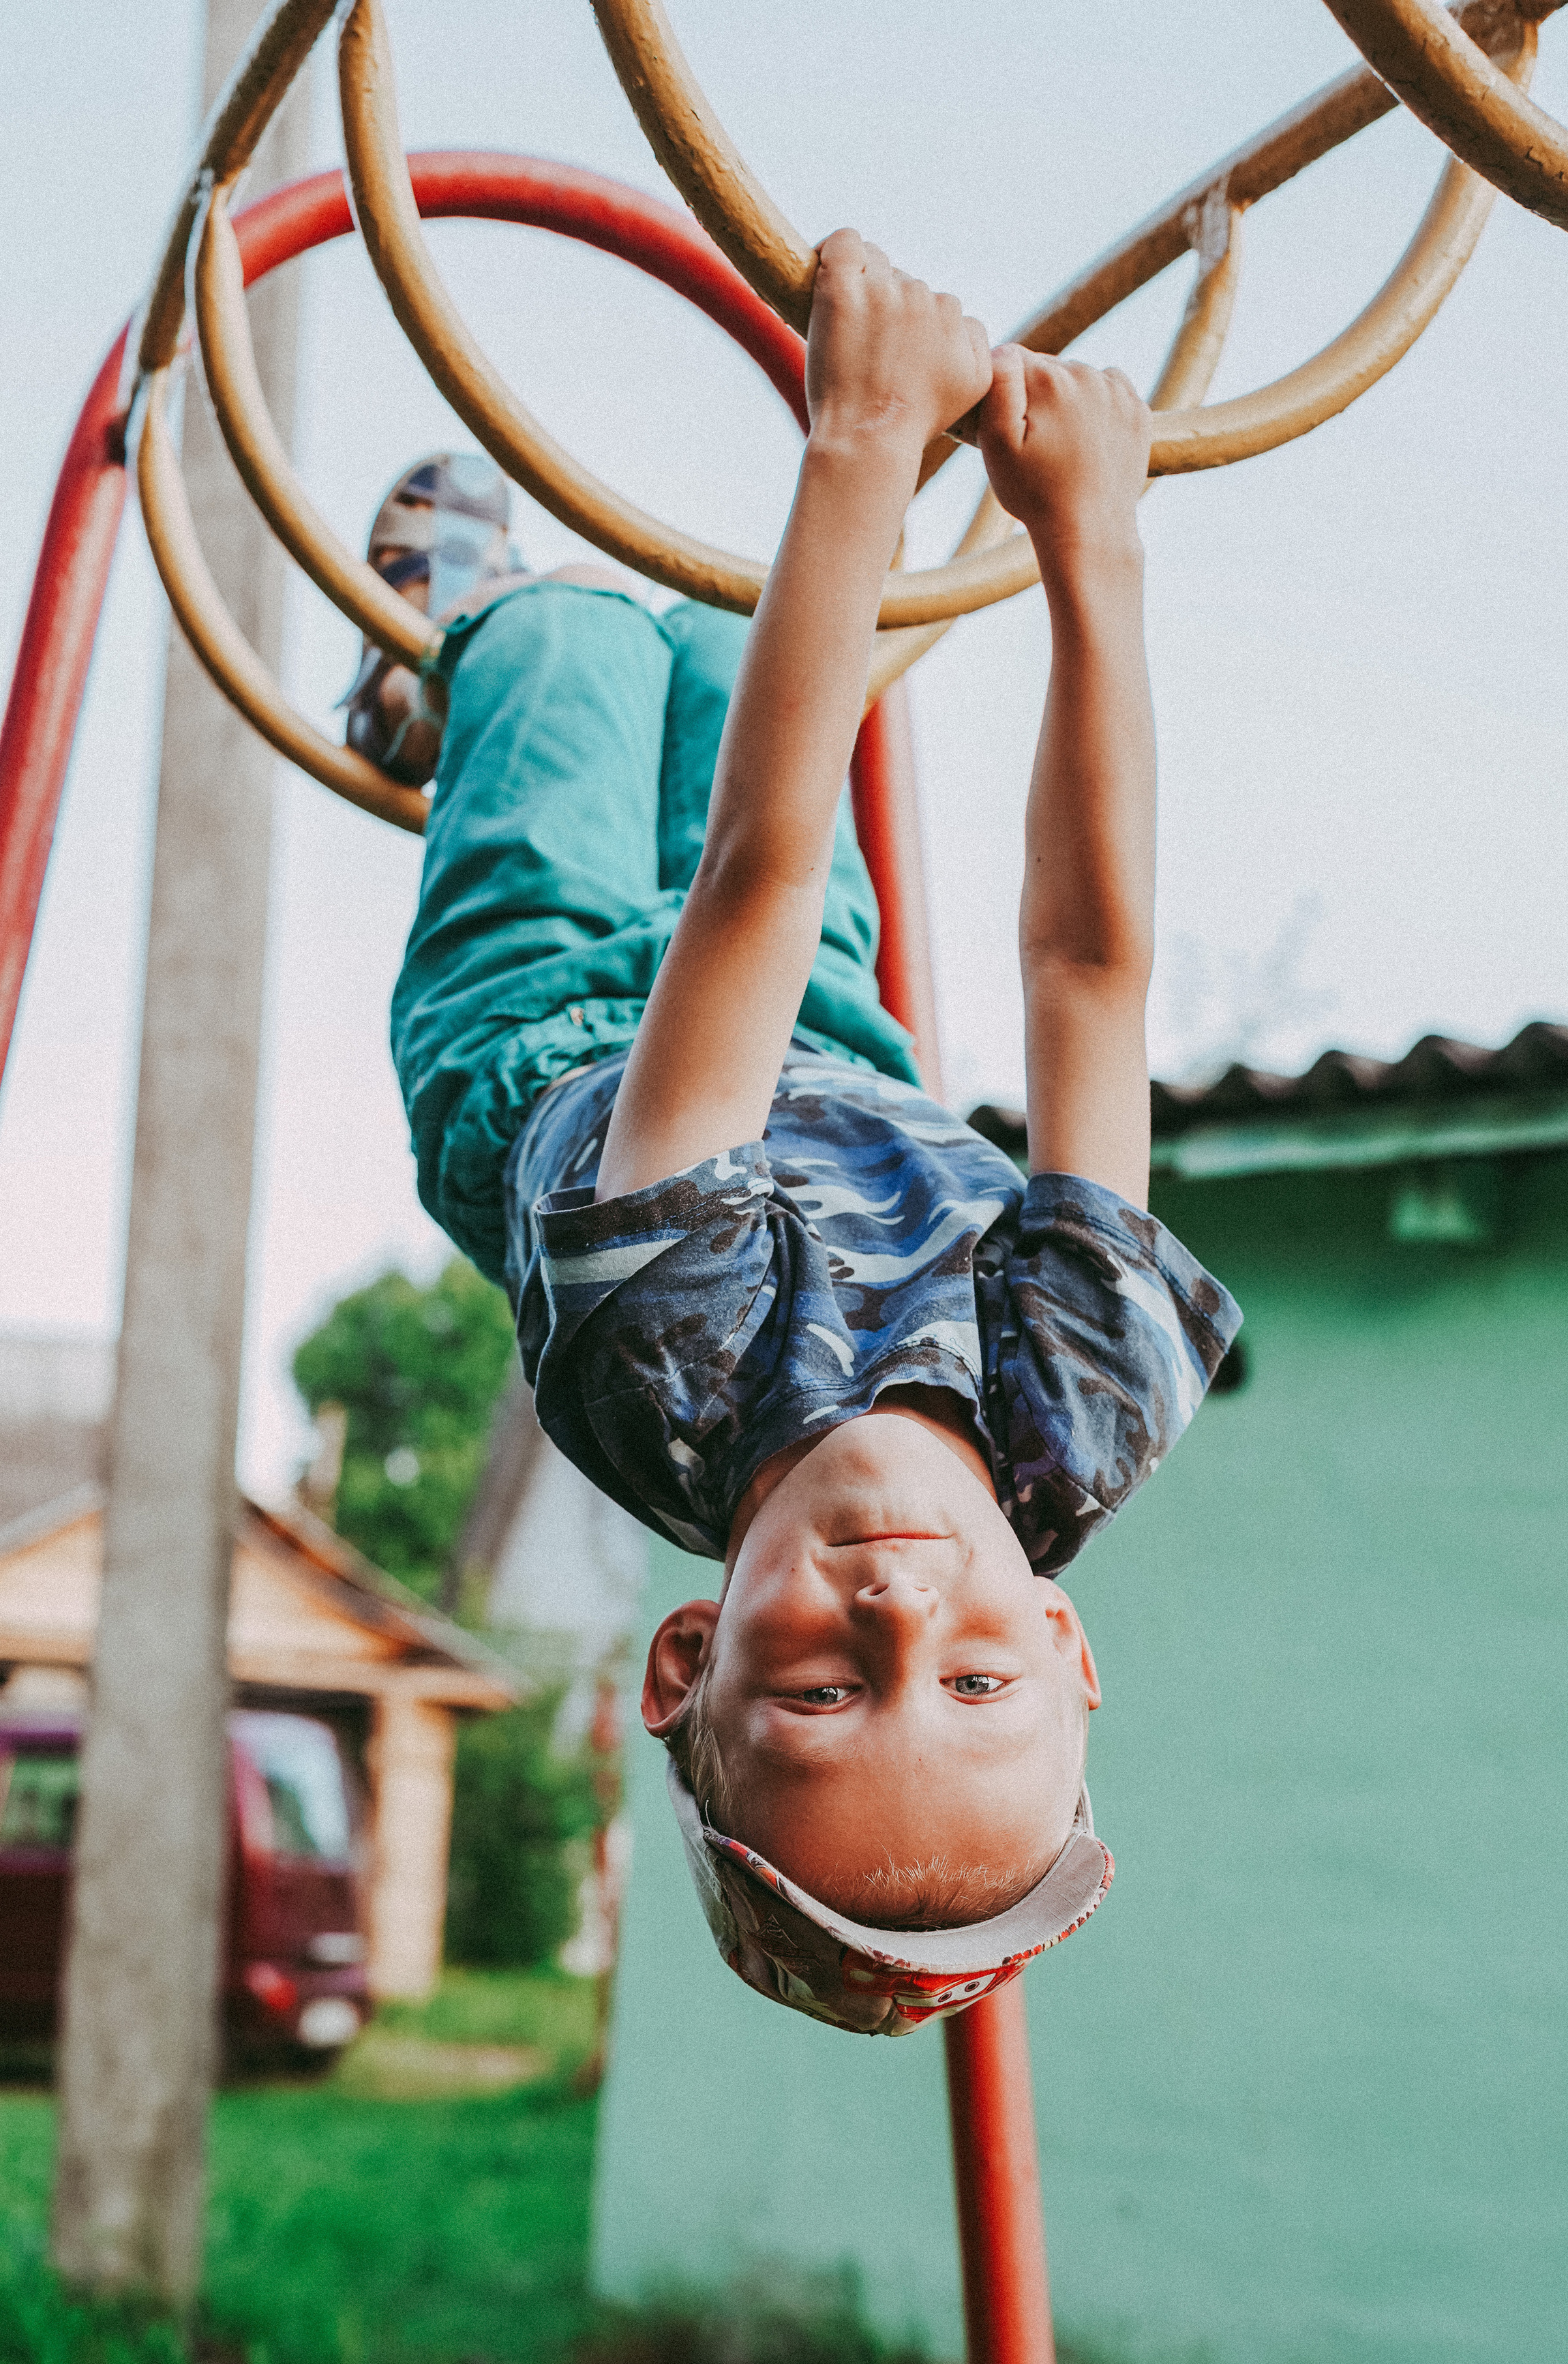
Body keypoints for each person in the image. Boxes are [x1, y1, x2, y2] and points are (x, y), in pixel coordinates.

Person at [372, 231, 1241, 2035]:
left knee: (561, 646)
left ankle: (443, 667)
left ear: (687, 1658)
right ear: (1066, 1646)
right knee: (718, 636)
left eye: (824, 1695)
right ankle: (464, 671)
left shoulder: (671, 1369)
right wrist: (1095, 545)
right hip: (828, 1023)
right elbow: (1089, 974)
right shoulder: (1081, 1402)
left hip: (546, 1025)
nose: (902, 1616)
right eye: (979, 1685)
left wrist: (863, 442)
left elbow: (747, 895)